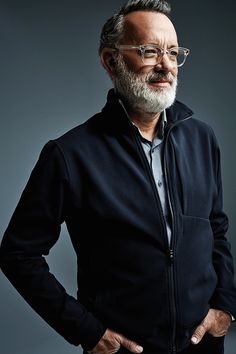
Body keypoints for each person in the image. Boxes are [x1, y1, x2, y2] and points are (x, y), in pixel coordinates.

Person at [0, 0, 236, 353]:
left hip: (202, 344)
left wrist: (226, 307)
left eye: (173, 52)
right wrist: (87, 330)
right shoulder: (70, 154)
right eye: (150, 51)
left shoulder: (203, 138)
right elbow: (18, 255)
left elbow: (215, 230)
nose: (166, 66)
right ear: (111, 61)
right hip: (124, 350)